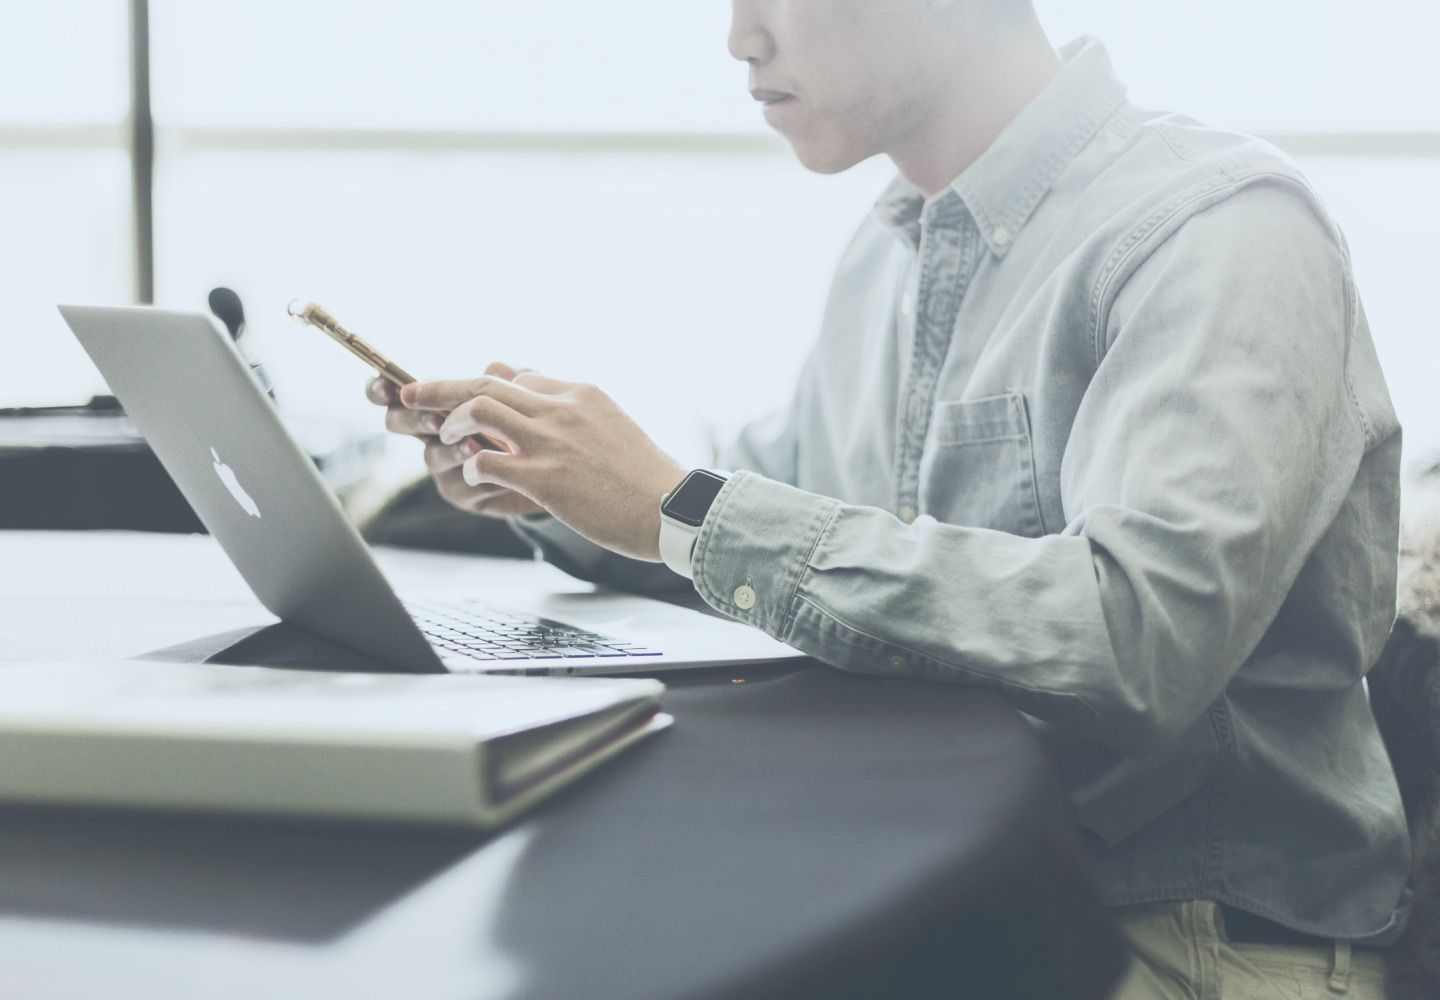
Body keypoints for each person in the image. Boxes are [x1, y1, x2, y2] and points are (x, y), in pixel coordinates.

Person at [368, 2, 1412, 996]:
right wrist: (554, 484)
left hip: (1183, 937)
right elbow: (775, 532)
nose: (740, 38)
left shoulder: (1216, 231)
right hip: (965, 886)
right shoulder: (890, 251)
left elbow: (1137, 635)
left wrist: (677, 505)